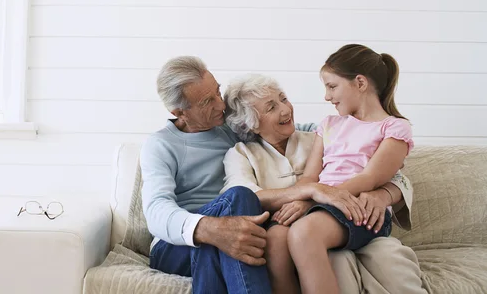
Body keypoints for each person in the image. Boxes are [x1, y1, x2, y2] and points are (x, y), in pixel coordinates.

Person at [140, 56, 362, 294]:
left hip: (230, 233)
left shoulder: (230, 129)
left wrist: (341, 129)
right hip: (175, 246)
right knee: (240, 197)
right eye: (207, 101)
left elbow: (299, 131)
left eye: (217, 91)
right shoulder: (160, 145)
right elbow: (156, 210)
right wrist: (209, 229)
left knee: (222, 240)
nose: (220, 105)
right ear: (180, 112)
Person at [222, 72, 425, 294]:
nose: (285, 109)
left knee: (378, 257)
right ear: (251, 125)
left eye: (283, 98)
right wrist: (311, 190)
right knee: (276, 239)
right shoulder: (241, 154)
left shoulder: (319, 136)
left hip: (344, 219)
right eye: (271, 108)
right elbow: (243, 197)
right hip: (294, 230)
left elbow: (391, 173)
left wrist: (384, 195)